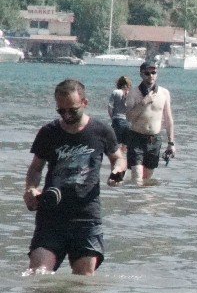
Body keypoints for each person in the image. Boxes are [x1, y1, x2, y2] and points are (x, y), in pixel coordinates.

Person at [23, 79, 126, 274]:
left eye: (72, 110)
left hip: (86, 217)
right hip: (51, 216)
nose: (67, 115)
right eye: (61, 111)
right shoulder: (49, 132)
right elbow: (36, 168)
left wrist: (117, 172)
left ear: (85, 103)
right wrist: (30, 189)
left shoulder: (101, 131)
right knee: (37, 273)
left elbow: (118, 158)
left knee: (84, 278)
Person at [124, 61, 175, 185]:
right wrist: (143, 103)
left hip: (154, 139)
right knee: (137, 177)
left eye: (153, 73)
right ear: (141, 74)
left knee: (147, 179)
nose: (151, 75)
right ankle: (133, 195)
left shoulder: (164, 93)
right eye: (147, 73)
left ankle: (143, 198)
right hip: (136, 137)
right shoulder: (133, 93)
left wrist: (171, 143)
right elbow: (129, 117)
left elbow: (168, 119)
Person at [107, 75, 131, 156]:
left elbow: (110, 107)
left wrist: (112, 118)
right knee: (125, 146)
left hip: (117, 121)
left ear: (119, 83)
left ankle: (118, 160)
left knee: (115, 146)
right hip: (128, 123)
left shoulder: (116, 92)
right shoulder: (131, 93)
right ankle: (123, 160)